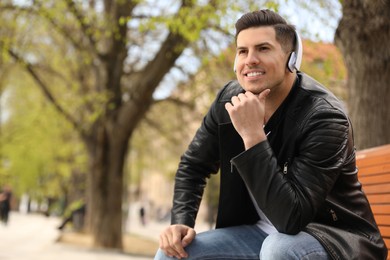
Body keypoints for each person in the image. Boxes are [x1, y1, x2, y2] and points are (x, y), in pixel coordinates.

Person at [154, 9, 387, 260]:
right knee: (173, 253)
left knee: (279, 248)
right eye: (242, 51)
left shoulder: (324, 118)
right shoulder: (228, 100)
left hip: (333, 239)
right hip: (259, 234)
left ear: (291, 59)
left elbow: (291, 219)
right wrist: (181, 222)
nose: (250, 60)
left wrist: (253, 135)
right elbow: (193, 165)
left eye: (263, 49)